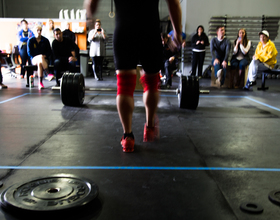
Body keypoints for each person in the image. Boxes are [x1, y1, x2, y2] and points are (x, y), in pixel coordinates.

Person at [84, 0, 182, 153]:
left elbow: (91, 2)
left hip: (124, 31)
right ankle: (150, 127)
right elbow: (174, 3)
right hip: (149, 32)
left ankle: (128, 137)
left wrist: (90, 18)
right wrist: (177, 32)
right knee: (151, 82)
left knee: (124, 86)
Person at [27, 24, 52, 89]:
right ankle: (47, 73)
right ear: (34, 31)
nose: (39, 32)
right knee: (40, 57)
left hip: (44, 59)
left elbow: (49, 51)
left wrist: (45, 55)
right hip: (34, 59)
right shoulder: (31, 41)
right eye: (37, 30)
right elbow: (29, 53)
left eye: (40, 30)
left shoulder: (45, 40)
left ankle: (40, 83)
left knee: (40, 63)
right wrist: (39, 56)